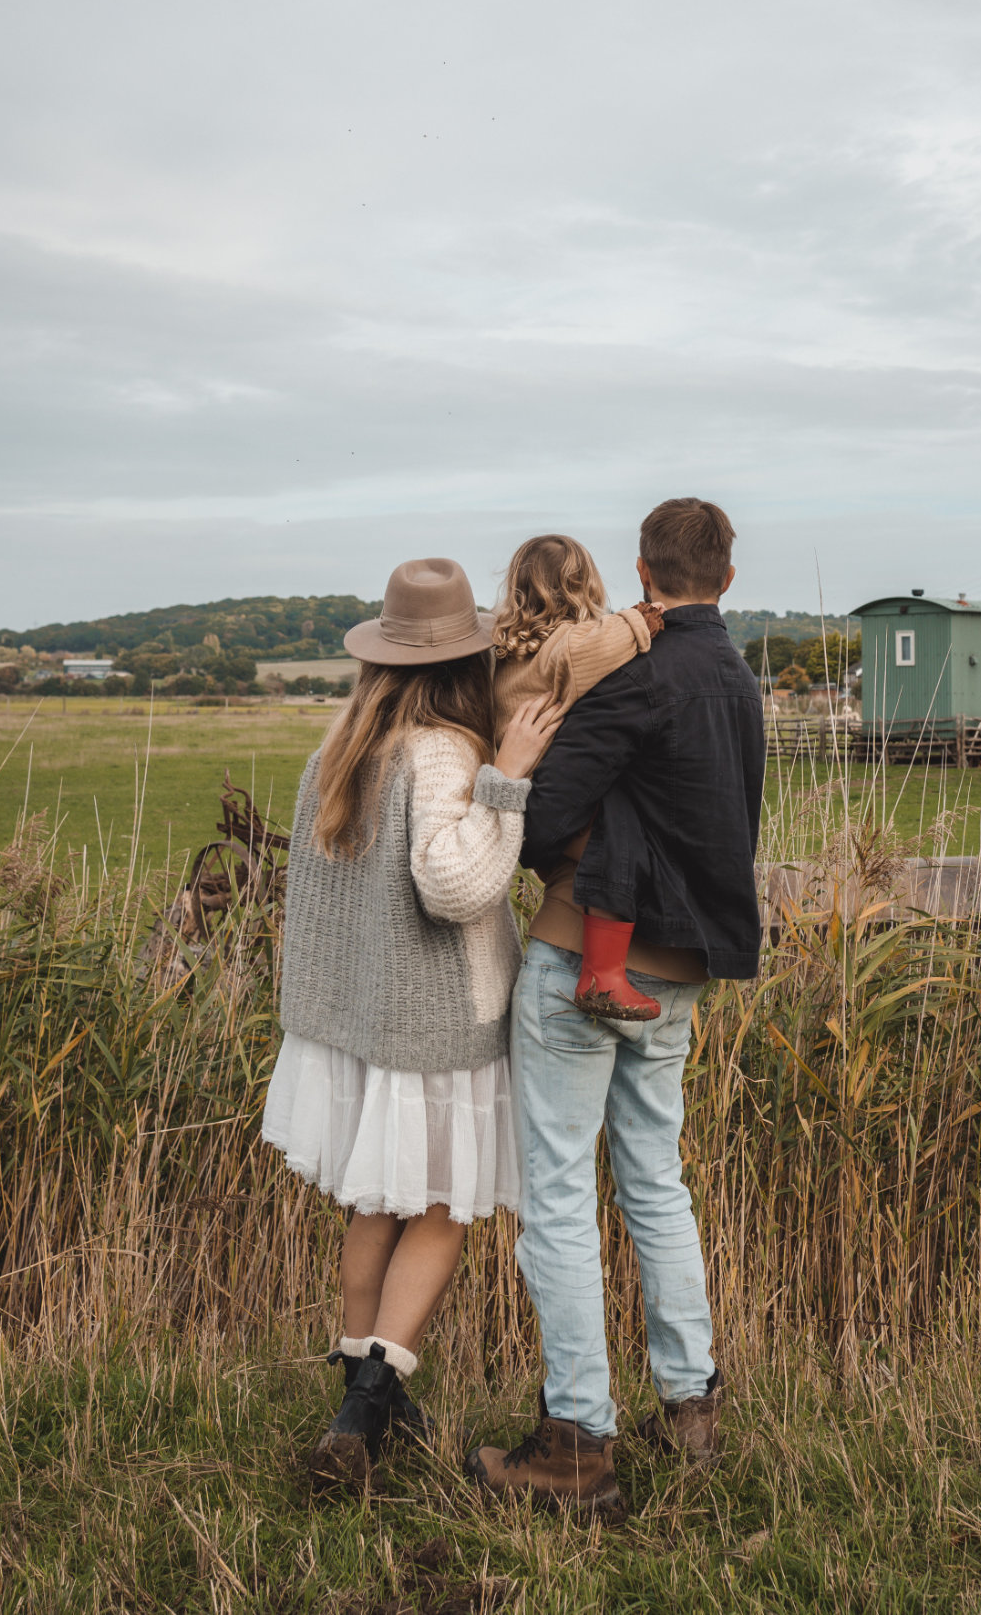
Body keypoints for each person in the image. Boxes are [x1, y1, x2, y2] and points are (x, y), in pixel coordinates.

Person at [467, 498, 766, 1521]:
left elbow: (548, 813)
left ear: (645, 570)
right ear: (725, 577)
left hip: (580, 957)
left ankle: (577, 1444)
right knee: (654, 1181)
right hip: (680, 967)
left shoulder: (635, 675)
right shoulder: (734, 677)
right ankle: (690, 1409)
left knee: (555, 1194)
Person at [261, 556, 561, 1492]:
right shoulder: (439, 751)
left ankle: (368, 1399)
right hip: (433, 1022)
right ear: (461, 661)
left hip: (356, 1024)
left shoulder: (340, 745)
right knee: (437, 1211)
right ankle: (366, 1405)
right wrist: (506, 778)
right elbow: (455, 885)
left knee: (373, 1207)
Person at [492, 532, 667, 1023]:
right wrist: (639, 619)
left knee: (593, 864)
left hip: (521, 791)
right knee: (616, 857)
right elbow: (601, 645)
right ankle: (603, 977)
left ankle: (601, 969)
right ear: (581, 586)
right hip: (558, 794)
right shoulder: (564, 646)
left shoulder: (505, 653)